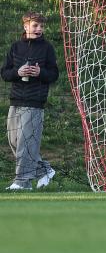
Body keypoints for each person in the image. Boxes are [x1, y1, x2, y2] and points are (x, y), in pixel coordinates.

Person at [2, 12, 59, 191]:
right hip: (16, 100)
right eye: (35, 25)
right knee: (14, 141)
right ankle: (43, 170)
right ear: (25, 27)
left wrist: (40, 73)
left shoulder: (47, 48)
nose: (39, 29)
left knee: (26, 143)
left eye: (41, 26)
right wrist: (18, 73)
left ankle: (22, 182)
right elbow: (5, 73)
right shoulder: (15, 47)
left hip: (35, 102)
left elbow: (54, 74)